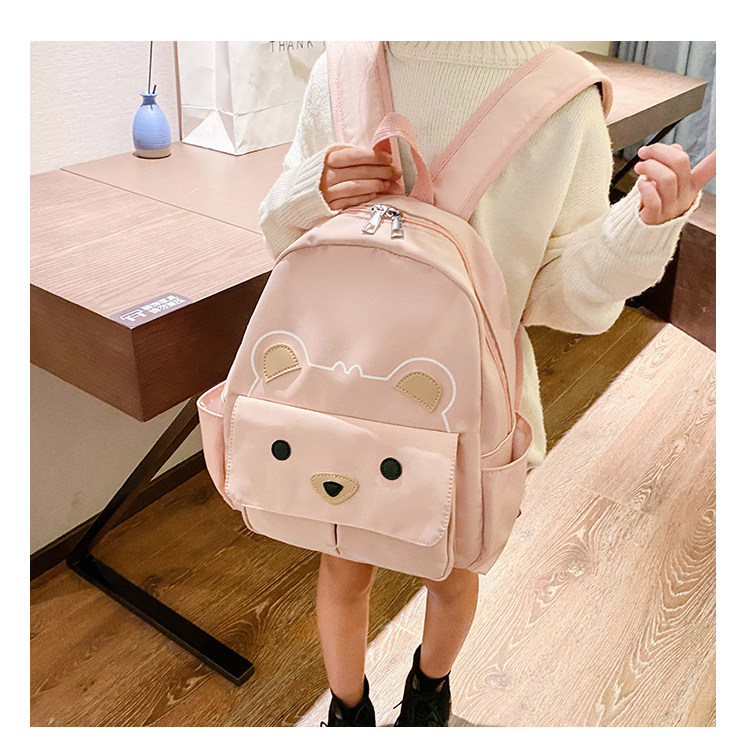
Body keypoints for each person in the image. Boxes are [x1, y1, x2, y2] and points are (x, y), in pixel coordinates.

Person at [258, 41, 716, 727]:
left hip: (443, 408)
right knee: (362, 570)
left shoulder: (563, 101)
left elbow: (560, 293)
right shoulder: (342, 68)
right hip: (356, 395)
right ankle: (354, 712)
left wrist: (640, 229)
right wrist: (307, 190)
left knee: (440, 572)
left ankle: (423, 697)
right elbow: (285, 239)